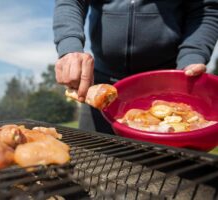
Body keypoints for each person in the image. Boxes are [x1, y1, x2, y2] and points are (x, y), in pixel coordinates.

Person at [52, 0, 218, 134]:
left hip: (164, 90)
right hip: (100, 90)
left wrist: (193, 55)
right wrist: (69, 46)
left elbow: (205, 8)